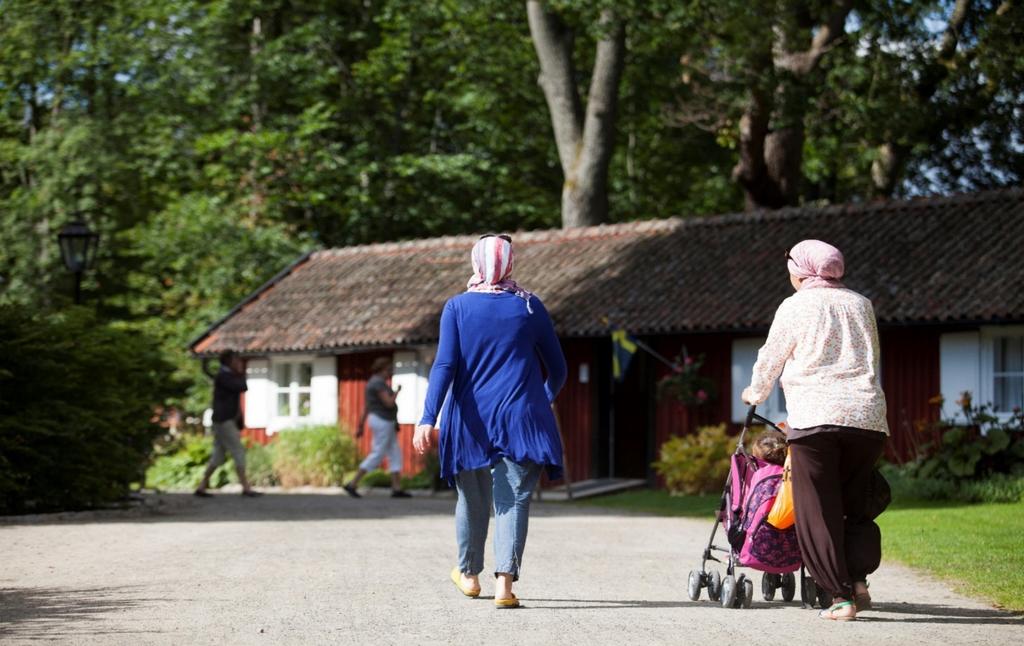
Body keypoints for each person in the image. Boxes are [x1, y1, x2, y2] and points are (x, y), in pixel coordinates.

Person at [413, 234, 567, 609]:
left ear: (475, 264)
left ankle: (468, 576)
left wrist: (427, 418)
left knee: (472, 498)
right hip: (521, 417)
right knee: (513, 500)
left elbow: (445, 365)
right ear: (511, 264)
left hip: (470, 420)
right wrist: (540, 401)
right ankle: (505, 587)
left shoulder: (457, 307)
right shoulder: (530, 307)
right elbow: (558, 369)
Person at [742, 239, 888, 622]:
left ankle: (839, 598)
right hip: (867, 418)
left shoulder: (796, 306)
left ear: (802, 271)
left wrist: (754, 392)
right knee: (857, 502)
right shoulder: (861, 304)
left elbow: (771, 355)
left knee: (818, 509)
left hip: (817, 419)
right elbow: (869, 355)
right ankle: (858, 582)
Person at [194, 351, 261, 498]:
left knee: (218, 454)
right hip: (224, 420)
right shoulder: (225, 377)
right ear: (230, 361)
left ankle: (202, 485)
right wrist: (240, 372)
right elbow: (242, 386)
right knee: (238, 451)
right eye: (236, 361)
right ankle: (246, 487)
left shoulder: (224, 376)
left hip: (223, 419)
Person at [343, 357, 412, 499]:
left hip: (383, 420)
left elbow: (366, 407)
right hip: (383, 421)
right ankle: (353, 483)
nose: (390, 372)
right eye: (389, 369)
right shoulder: (378, 383)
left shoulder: (373, 383)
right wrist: (397, 391)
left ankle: (396, 488)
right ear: (383, 369)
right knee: (378, 453)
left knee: (394, 453)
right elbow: (388, 403)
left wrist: (361, 425)